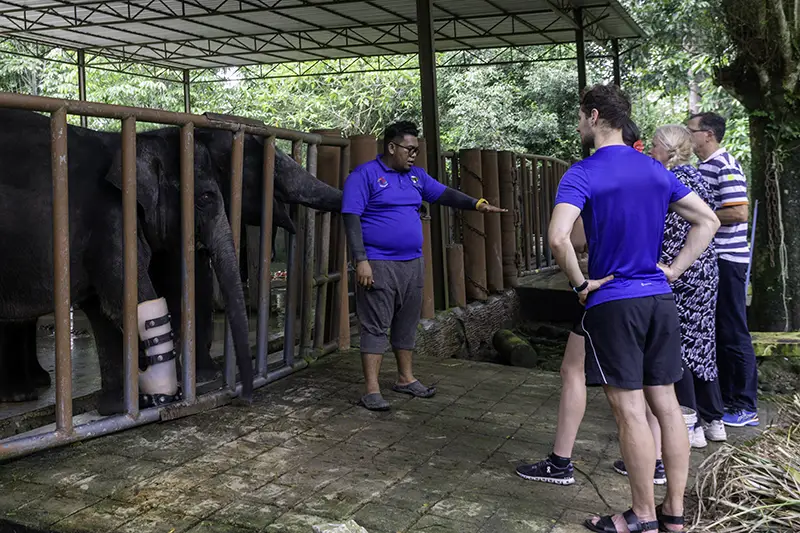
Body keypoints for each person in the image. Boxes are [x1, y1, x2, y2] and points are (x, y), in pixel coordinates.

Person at [548, 84, 719, 533]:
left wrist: (581, 283)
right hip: (659, 301)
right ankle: (674, 515)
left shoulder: (582, 172)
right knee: (666, 405)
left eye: (580, 117)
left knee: (629, 412)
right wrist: (675, 270)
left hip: (614, 302)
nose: (579, 124)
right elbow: (708, 221)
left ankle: (641, 515)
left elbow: (559, 237)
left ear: (593, 115)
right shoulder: (654, 169)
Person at [515, 118, 668, 488]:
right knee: (654, 385)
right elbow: (704, 221)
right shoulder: (658, 177)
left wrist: (581, 281)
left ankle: (563, 462)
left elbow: (570, 240)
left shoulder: (593, 174)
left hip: (610, 294)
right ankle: (657, 463)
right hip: (657, 293)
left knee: (590, 379)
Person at [341, 121, 504, 411]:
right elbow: (351, 218)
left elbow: (444, 194)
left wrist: (477, 204)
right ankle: (372, 390)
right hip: (378, 263)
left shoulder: (417, 177)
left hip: (412, 263)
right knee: (375, 325)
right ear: (392, 147)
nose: (414, 154)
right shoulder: (364, 176)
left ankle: (405, 378)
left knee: (406, 322)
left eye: (417, 150)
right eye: (410, 149)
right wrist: (361, 260)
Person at [687, 112, 758, 428]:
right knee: (718, 330)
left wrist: (699, 215)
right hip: (715, 261)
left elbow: (739, 211)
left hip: (729, 260)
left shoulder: (724, 164)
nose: (689, 137)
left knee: (733, 329)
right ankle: (726, 398)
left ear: (708, 134)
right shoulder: (705, 167)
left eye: (692, 131)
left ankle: (745, 404)